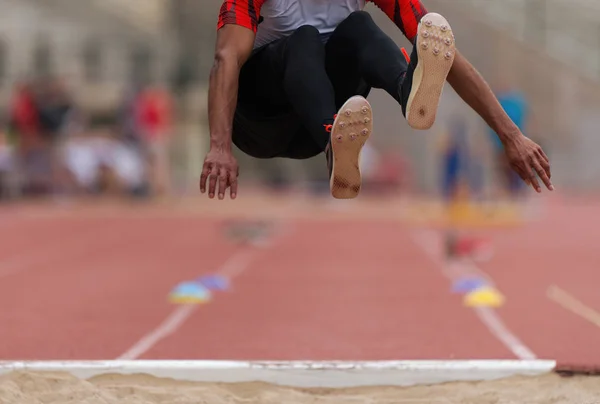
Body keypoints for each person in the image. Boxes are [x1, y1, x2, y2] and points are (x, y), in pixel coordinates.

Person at [201, 0, 553, 201]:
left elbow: (449, 58)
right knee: (304, 39)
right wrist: (220, 146)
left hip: (313, 126)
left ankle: (407, 91)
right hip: (260, 118)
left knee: (360, 25)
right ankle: (332, 138)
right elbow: (226, 59)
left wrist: (512, 135)